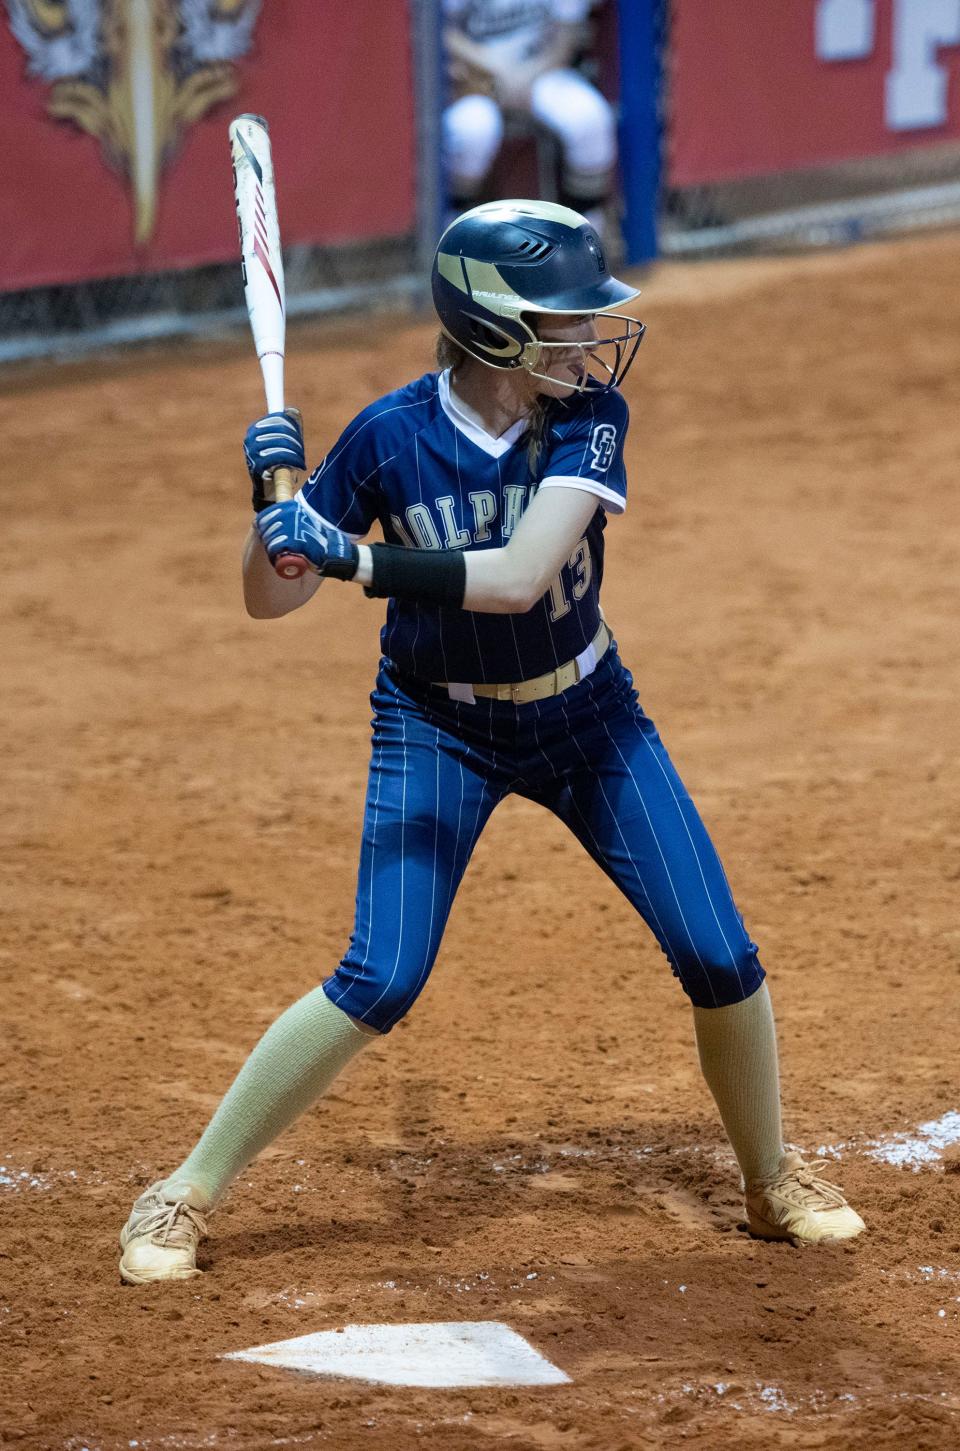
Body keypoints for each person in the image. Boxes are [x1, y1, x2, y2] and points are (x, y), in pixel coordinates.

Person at [118, 200, 865, 1284]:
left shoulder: (589, 416)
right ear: (497, 327)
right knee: (381, 976)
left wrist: (353, 560)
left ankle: (772, 1176)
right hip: (438, 723)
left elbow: (518, 578)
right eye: (564, 320)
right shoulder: (388, 436)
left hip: (587, 714)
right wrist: (271, 506)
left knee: (718, 951)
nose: (588, 340)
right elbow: (267, 598)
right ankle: (182, 1189)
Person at [443, 0, 616, 235]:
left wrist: (522, 79)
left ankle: (587, 239)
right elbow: (442, 30)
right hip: (476, 76)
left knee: (589, 120)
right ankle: (453, 236)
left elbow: (566, 36)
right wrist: (494, 71)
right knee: (471, 130)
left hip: (541, 70)